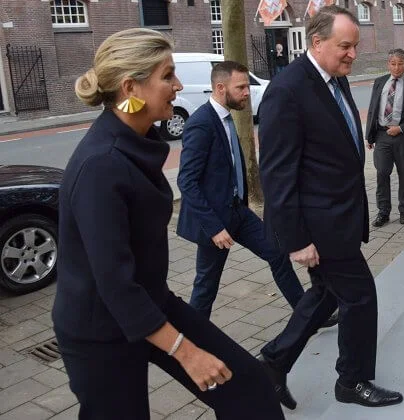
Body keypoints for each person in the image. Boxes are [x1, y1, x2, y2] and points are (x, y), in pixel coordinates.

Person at [51, 28, 284, 420]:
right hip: (101, 329)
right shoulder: (101, 166)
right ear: (131, 88)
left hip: (149, 303)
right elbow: (113, 283)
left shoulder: (135, 139)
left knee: (249, 386)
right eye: (167, 76)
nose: (178, 85)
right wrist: (187, 353)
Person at [257, 5, 403, 410]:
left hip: (338, 217)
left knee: (325, 294)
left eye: (355, 46)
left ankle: (272, 363)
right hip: (317, 225)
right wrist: (296, 240)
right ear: (316, 43)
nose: (353, 54)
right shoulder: (287, 90)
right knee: (359, 296)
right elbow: (277, 174)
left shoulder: (332, 78)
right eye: (345, 46)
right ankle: (351, 382)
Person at [176, 61, 337, 329]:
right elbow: (187, 181)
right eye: (240, 87)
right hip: (215, 222)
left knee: (277, 255)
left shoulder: (226, 117)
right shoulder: (201, 124)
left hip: (237, 212)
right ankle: (194, 340)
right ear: (219, 87)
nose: (246, 92)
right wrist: (215, 228)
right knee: (206, 285)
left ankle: (308, 317)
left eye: (246, 87)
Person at [365, 48, 404, 228]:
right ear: (388, 64)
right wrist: (370, 136)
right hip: (382, 136)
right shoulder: (380, 82)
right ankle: (383, 212)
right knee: (382, 173)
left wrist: (400, 128)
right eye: (393, 64)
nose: (397, 68)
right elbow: (372, 110)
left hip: (403, 137)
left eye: (400, 64)